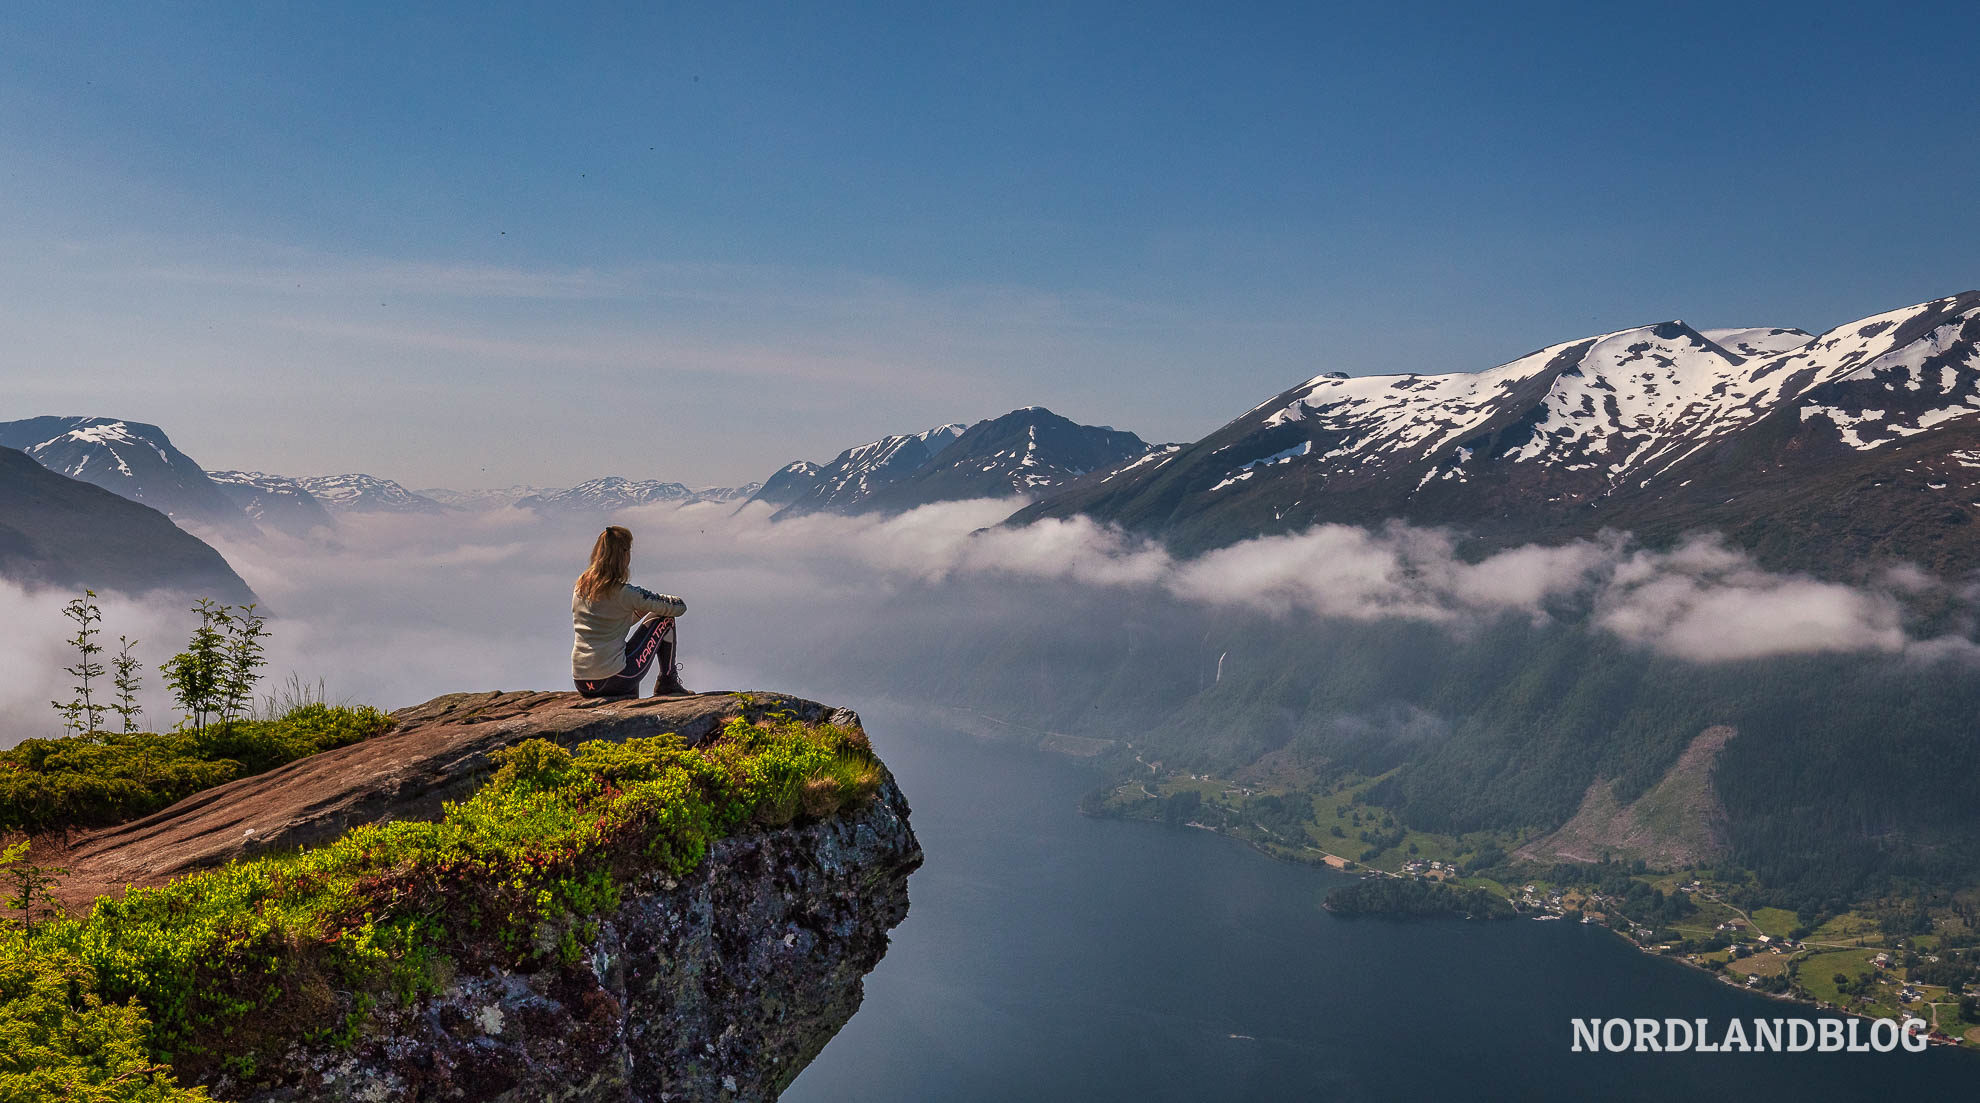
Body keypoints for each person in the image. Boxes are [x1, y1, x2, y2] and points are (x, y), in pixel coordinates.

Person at [571, 525, 692, 698]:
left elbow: (610, 624)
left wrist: (639, 612)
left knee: (622, 654)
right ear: (624, 554)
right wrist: (651, 601)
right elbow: (679, 608)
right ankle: (667, 682)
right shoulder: (625, 593)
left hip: (583, 683)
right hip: (615, 678)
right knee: (665, 620)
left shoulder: (580, 587)